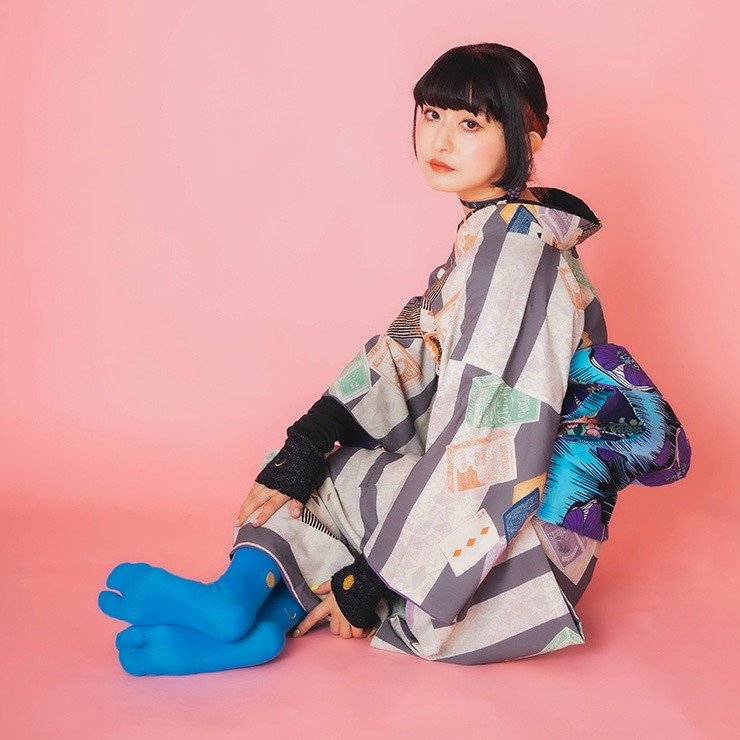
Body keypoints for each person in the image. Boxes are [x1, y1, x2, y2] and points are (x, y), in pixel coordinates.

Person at [98, 42, 690, 675]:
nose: (441, 139)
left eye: (470, 123)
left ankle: (242, 601)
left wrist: (371, 582)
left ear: (528, 138)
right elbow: (408, 349)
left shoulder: (516, 257)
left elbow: (493, 443)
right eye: (432, 114)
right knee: (317, 467)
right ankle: (257, 618)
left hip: (512, 554)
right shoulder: (491, 234)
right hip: (484, 512)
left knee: (336, 484)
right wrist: (311, 438)